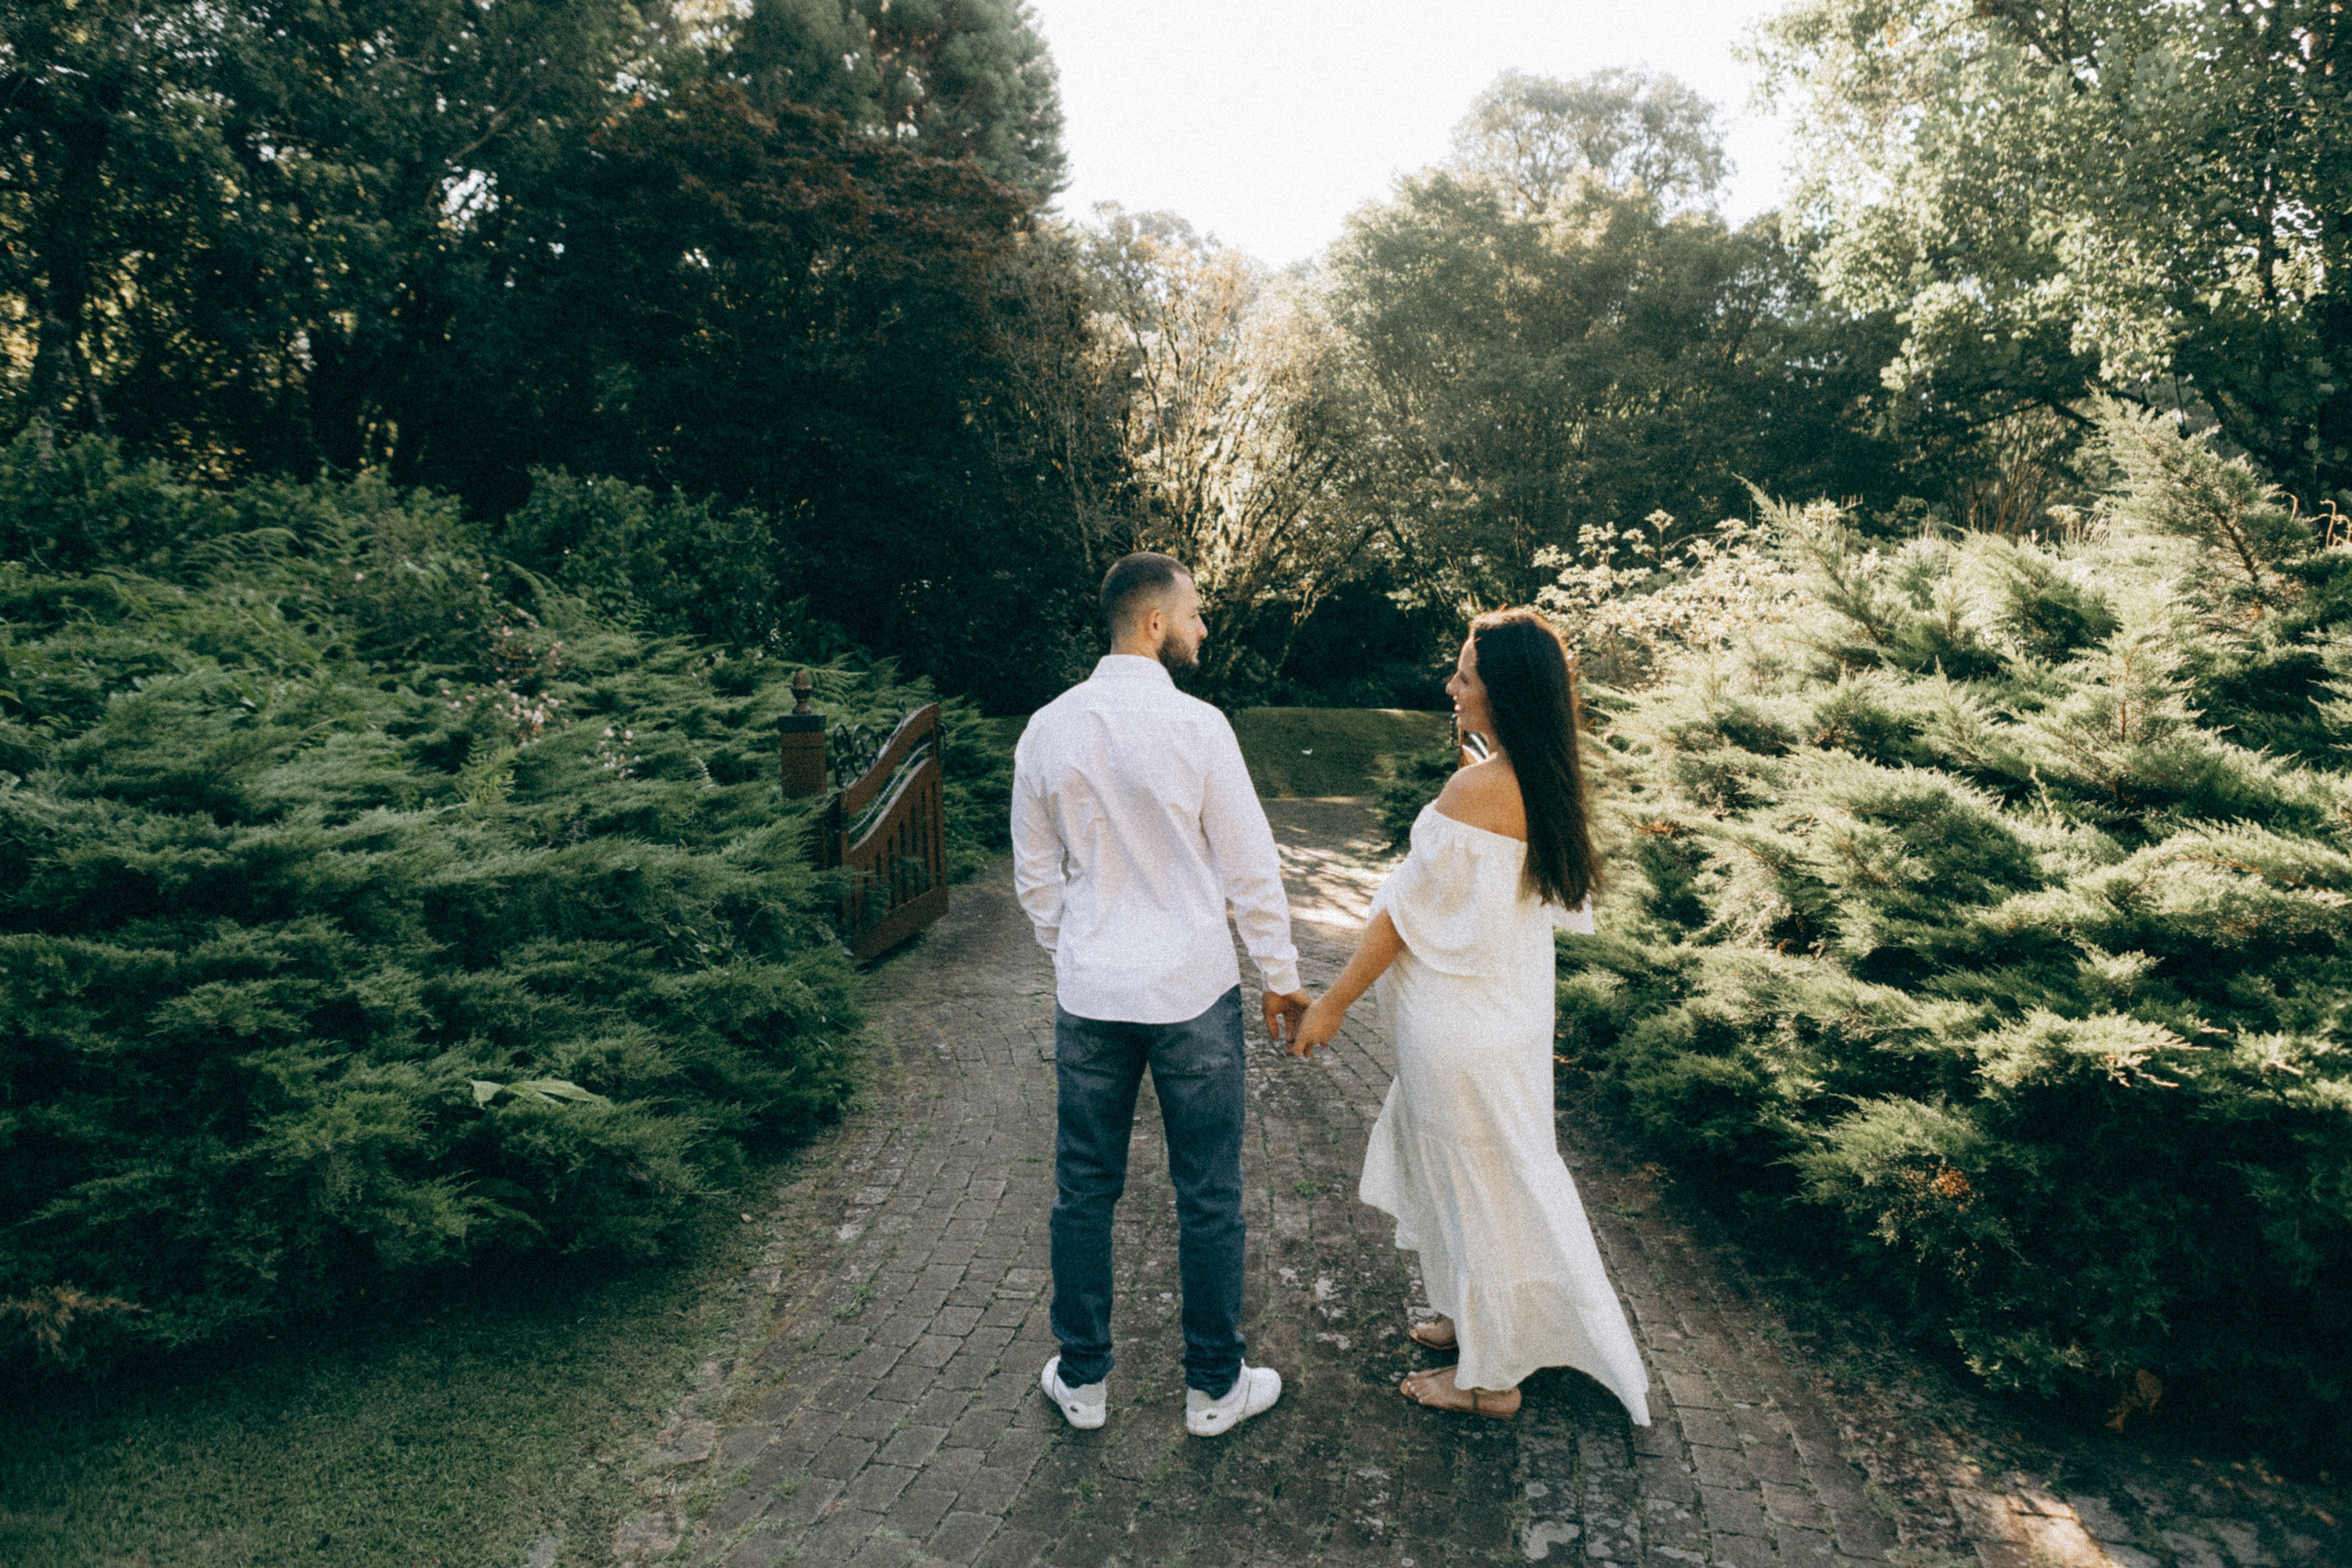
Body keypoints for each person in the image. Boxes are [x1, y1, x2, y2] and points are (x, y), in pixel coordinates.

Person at [1289, 609, 1651, 1425]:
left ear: (1504, 691)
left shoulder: (1476, 789)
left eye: (1465, 675)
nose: (1451, 686)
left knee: (1476, 1186)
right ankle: (1470, 1317)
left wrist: (1333, 1003)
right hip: (1505, 1019)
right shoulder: (1543, 777)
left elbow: (1398, 914)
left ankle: (1490, 1379)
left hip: (1462, 1032)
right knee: (1475, 1177)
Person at [1012, 552, 1308, 1438]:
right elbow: (1251, 867)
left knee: (1084, 1187)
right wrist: (1281, 977)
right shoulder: (1201, 728)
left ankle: (1085, 1381)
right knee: (1209, 1191)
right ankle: (1215, 1388)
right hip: (1191, 989)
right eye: (1196, 613)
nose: (1204, 627)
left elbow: (1034, 879)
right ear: (1153, 623)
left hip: (1095, 994)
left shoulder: (1048, 728)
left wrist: (1084, 952)